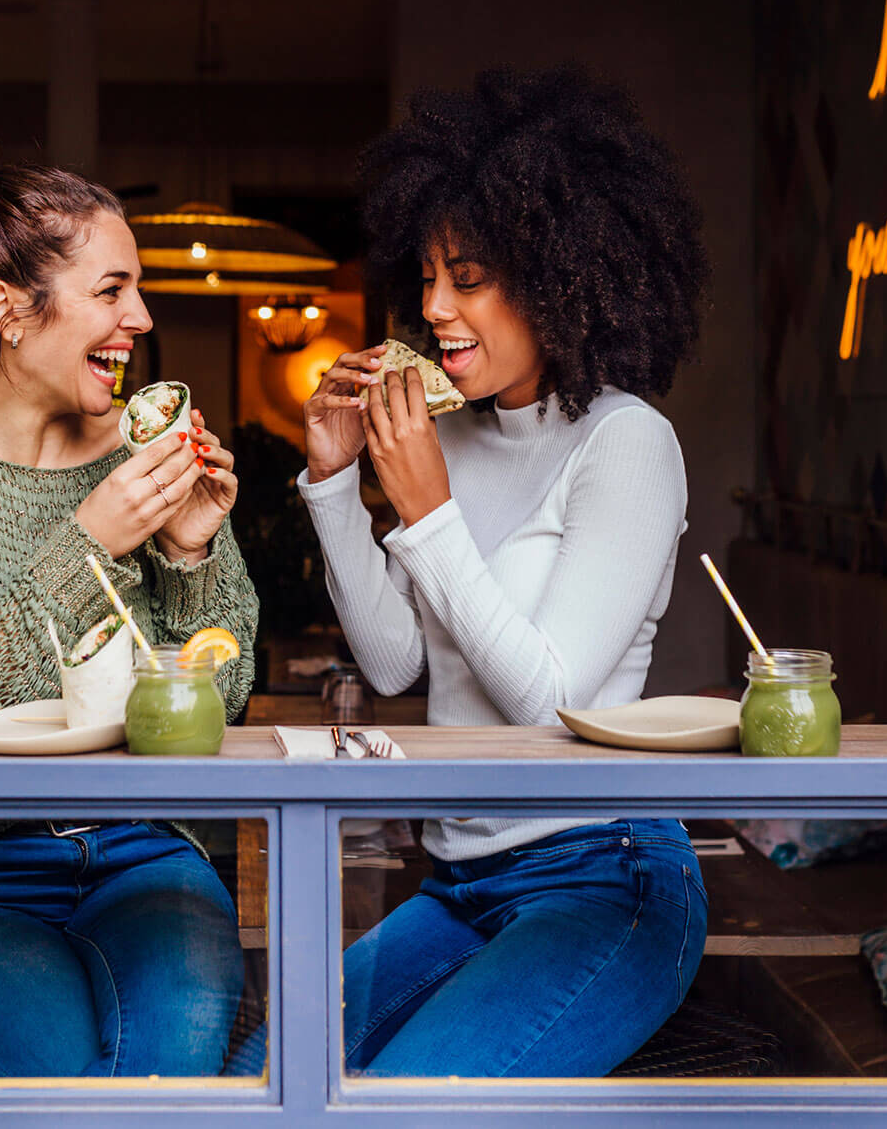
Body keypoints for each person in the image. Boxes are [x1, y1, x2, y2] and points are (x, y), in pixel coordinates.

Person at [298, 67, 710, 1077]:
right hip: (454, 881)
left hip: (601, 875)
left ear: (560, 275)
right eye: (429, 276)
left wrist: (428, 510)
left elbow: (551, 704)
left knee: (399, 1103)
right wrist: (331, 482)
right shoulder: (458, 436)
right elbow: (396, 666)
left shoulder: (627, 443)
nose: (432, 307)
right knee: (273, 1066)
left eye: (468, 278)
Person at [0, 111, 259, 1078]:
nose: (142, 319)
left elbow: (220, 700)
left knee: (169, 1068)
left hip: (146, 857)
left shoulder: (149, 462)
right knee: (65, 1080)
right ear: (8, 309)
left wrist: (190, 557)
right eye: (113, 290)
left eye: (138, 289)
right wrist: (91, 542)